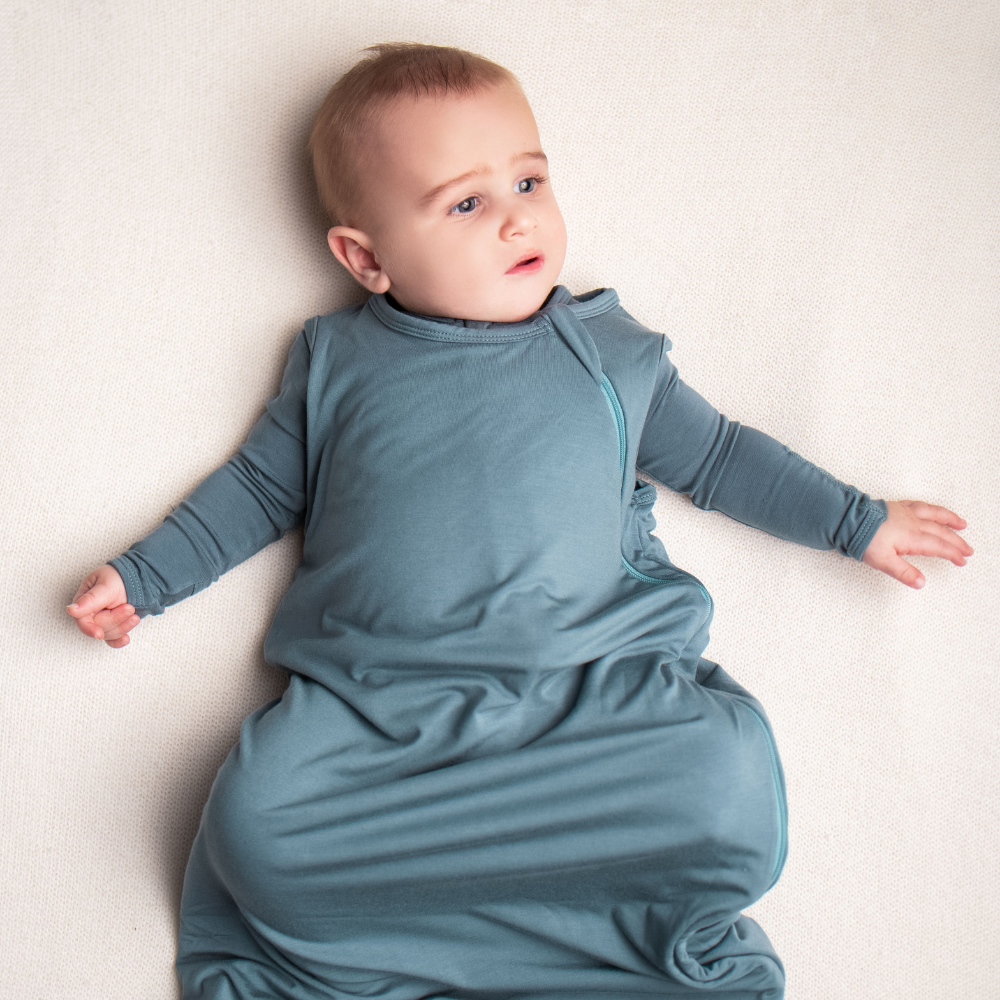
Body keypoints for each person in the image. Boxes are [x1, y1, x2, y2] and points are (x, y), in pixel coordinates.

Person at [66, 43, 972, 1000]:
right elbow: (254, 491)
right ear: (365, 257)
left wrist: (854, 521)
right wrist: (144, 576)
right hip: (384, 723)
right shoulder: (337, 366)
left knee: (726, 778)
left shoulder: (611, 355)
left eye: (530, 179)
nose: (517, 217)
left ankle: (568, 918)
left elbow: (718, 457)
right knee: (259, 820)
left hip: (593, 703)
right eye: (467, 203)